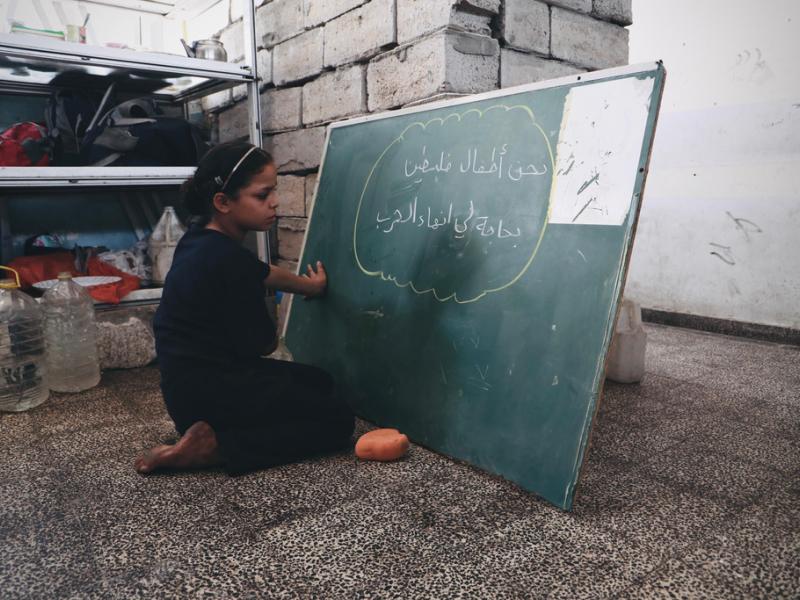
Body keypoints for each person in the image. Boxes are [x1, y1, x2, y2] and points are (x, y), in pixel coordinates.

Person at [135, 141, 354, 474]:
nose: (275, 203)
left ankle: (210, 433)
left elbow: (263, 272)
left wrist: (310, 286)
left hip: (184, 390)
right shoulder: (230, 263)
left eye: (274, 192)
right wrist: (262, 300)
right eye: (262, 196)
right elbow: (263, 344)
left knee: (319, 381)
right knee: (337, 419)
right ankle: (218, 447)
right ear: (223, 202)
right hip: (215, 392)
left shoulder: (198, 240)